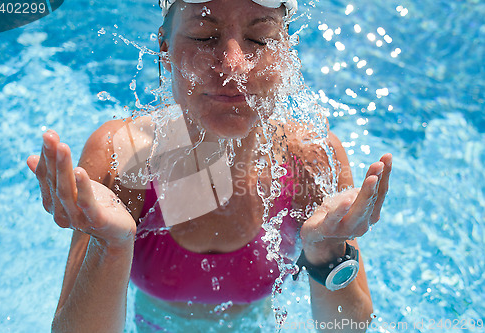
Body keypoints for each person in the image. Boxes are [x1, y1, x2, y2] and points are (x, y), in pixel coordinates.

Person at [26, 0, 392, 332]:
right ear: (165, 48)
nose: (233, 66)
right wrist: (111, 246)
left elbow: (347, 329)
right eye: (205, 36)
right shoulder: (122, 158)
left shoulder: (309, 159)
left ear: (285, 55)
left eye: (260, 39)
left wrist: (327, 251)